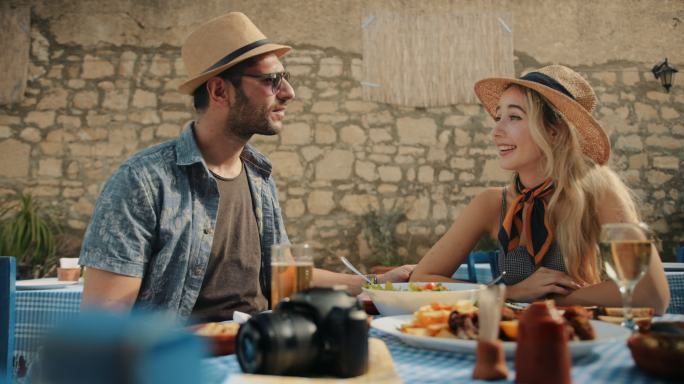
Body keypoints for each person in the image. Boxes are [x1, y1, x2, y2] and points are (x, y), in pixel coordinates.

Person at [79, 12, 414, 321]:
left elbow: (284, 276)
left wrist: (375, 282)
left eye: (286, 77)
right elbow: (104, 322)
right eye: (271, 80)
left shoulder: (258, 176)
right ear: (220, 91)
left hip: (262, 350)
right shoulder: (144, 181)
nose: (289, 92)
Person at [410, 65, 670, 314]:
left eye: (514, 117)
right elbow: (422, 280)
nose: (496, 132)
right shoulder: (491, 203)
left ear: (554, 132)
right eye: (498, 117)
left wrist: (553, 300)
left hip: (584, 339)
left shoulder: (599, 191)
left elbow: (652, 295)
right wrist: (510, 292)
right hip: (511, 340)